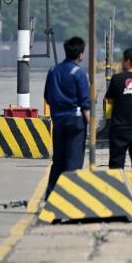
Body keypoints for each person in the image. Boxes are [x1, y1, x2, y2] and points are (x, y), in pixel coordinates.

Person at [44, 36, 90, 197]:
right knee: (73, 162)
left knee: (58, 161)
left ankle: (51, 195)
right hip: (75, 122)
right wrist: (90, 126)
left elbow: (47, 97)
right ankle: (69, 197)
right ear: (80, 55)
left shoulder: (53, 71)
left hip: (58, 122)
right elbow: (85, 103)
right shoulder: (79, 73)